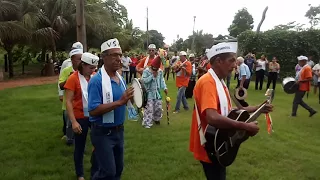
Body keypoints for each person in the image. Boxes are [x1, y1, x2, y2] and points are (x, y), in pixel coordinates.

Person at [189, 42, 273, 180]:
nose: (235, 65)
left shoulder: (219, 81)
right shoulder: (208, 82)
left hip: (219, 141)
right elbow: (213, 117)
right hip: (210, 144)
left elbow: (230, 110)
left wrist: (259, 108)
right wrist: (245, 126)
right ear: (218, 61)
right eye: (231, 60)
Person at [88, 38, 135, 180]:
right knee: (108, 172)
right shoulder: (97, 81)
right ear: (104, 57)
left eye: (120, 55)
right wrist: (120, 102)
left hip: (118, 131)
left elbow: (125, 99)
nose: (119, 59)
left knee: (118, 170)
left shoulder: (119, 78)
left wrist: (135, 96)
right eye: (114, 55)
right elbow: (93, 110)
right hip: (103, 133)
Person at [64, 52, 99, 180]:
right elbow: (68, 101)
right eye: (90, 67)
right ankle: (80, 174)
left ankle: (95, 170)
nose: (93, 70)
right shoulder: (73, 78)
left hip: (95, 117)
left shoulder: (95, 77)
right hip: (80, 117)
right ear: (83, 65)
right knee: (80, 146)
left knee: (98, 144)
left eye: (95, 68)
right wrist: (73, 122)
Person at [58, 42, 83, 140]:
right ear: (72, 59)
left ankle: (81, 139)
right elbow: (60, 85)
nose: (81, 61)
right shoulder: (66, 69)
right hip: (68, 103)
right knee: (69, 123)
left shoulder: (84, 70)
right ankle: (69, 139)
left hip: (81, 103)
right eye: (78, 59)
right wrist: (69, 79)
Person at [141, 56, 168, 128]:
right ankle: (147, 123)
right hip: (149, 92)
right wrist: (152, 76)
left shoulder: (160, 71)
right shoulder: (146, 71)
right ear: (151, 66)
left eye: (157, 69)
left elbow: (162, 80)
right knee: (149, 108)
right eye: (154, 69)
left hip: (157, 93)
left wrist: (165, 88)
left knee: (158, 107)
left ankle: (156, 119)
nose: (155, 70)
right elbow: (144, 81)